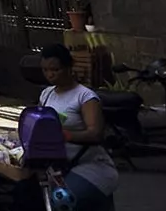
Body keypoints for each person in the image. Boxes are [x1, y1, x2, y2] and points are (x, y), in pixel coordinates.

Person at [37, 44, 120, 210]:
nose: (50, 75)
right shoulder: (47, 94)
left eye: (55, 69)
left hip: (91, 166)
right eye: (45, 70)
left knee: (63, 201)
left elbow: (95, 134)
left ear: (69, 67)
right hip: (59, 167)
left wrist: (65, 135)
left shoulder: (85, 97)